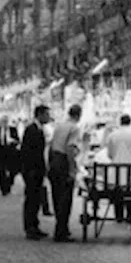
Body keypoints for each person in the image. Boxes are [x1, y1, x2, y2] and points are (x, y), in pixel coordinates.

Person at [47, 104, 84, 243]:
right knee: (65, 198)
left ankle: (60, 227)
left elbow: (51, 145)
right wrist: (72, 168)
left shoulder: (59, 126)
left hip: (55, 161)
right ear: (79, 115)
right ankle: (61, 231)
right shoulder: (74, 128)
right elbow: (70, 147)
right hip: (63, 162)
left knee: (56, 197)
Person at [20, 105, 51, 240]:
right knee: (31, 198)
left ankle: (34, 225)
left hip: (37, 170)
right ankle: (29, 227)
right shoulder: (31, 130)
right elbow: (28, 152)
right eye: (47, 114)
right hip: (32, 170)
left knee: (36, 198)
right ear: (40, 115)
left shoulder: (39, 129)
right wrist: (30, 169)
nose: (49, 117)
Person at [0, 115, 21, 197]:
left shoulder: (13, 130)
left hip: (11, 152)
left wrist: (13, 141)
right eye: (2, 122)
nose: (4, 123)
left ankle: (9, 184)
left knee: (12, 171)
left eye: (5, 121)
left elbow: (18, 140)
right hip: (0, 153)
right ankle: (3, 189)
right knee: (1, 171)